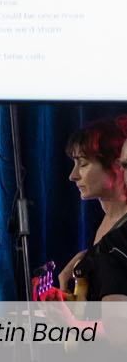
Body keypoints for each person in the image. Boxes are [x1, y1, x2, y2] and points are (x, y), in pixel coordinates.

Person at [62, 116, 127, 301]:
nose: (73, 176)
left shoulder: (122, 234)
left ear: (117, 166)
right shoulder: (100, 224)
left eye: (83, 164)